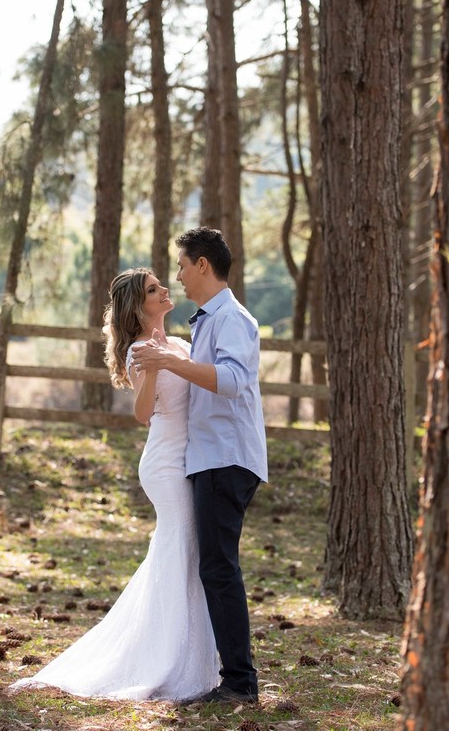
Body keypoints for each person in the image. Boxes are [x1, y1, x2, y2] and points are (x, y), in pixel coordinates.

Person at [9, 267, 219, 702]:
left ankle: (189, 656)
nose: (165, 291)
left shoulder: (181, 344)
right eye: (153, 289)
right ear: (138, 307)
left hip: (192, 456)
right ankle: (163, 662)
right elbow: (144, 413)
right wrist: (157, 368)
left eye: (161, 285)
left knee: (184, 550)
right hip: (164, 463)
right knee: (181, 545)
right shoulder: (140, 351)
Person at [132, 227, 268, 705]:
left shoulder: (232, 319)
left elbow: (231, 380)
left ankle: (238, 683)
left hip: (226, 457)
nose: (179, 277)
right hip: (206, 457)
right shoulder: (207, 320)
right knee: (213, 565)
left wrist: (167, 364)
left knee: (218, 567)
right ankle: (222, 674)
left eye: (183, 267)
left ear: (203, 265)